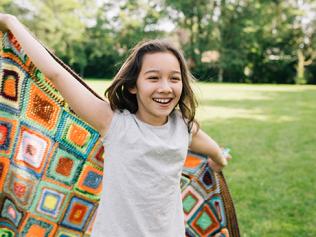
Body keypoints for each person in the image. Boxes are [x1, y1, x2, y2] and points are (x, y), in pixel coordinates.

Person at [0, 13, 232, 236]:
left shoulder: (182, 126)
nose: (165, 87)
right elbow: (56, 74)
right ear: (133, 85)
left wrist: (218, 160)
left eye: (174, 78)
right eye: (153, 78)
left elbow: (210, 146)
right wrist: (12, 22)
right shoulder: (113, 122)